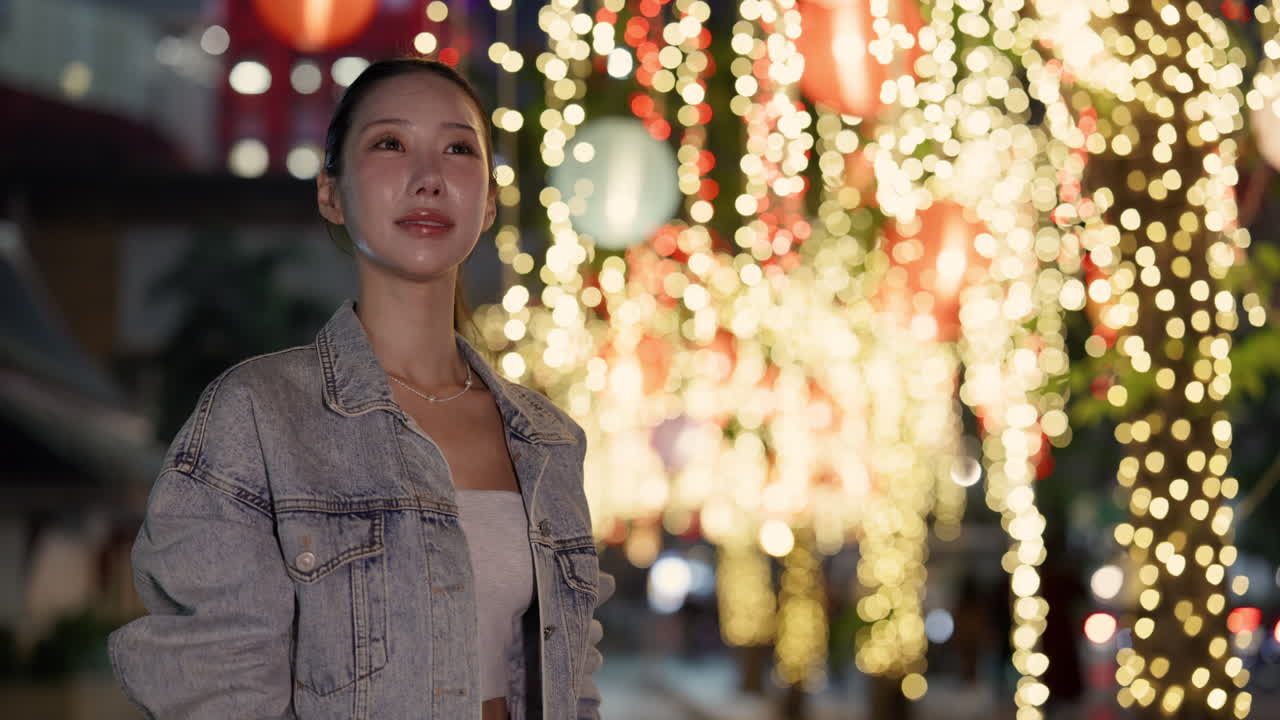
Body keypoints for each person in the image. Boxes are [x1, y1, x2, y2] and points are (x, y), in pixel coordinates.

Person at [108, 57, 613, 720]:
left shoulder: (548, 441)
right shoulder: (259, 418)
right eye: (390, 144)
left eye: (458, 149)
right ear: (332, 194)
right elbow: (215, 689)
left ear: (488, 201)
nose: (429, 178)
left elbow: (574, 684)